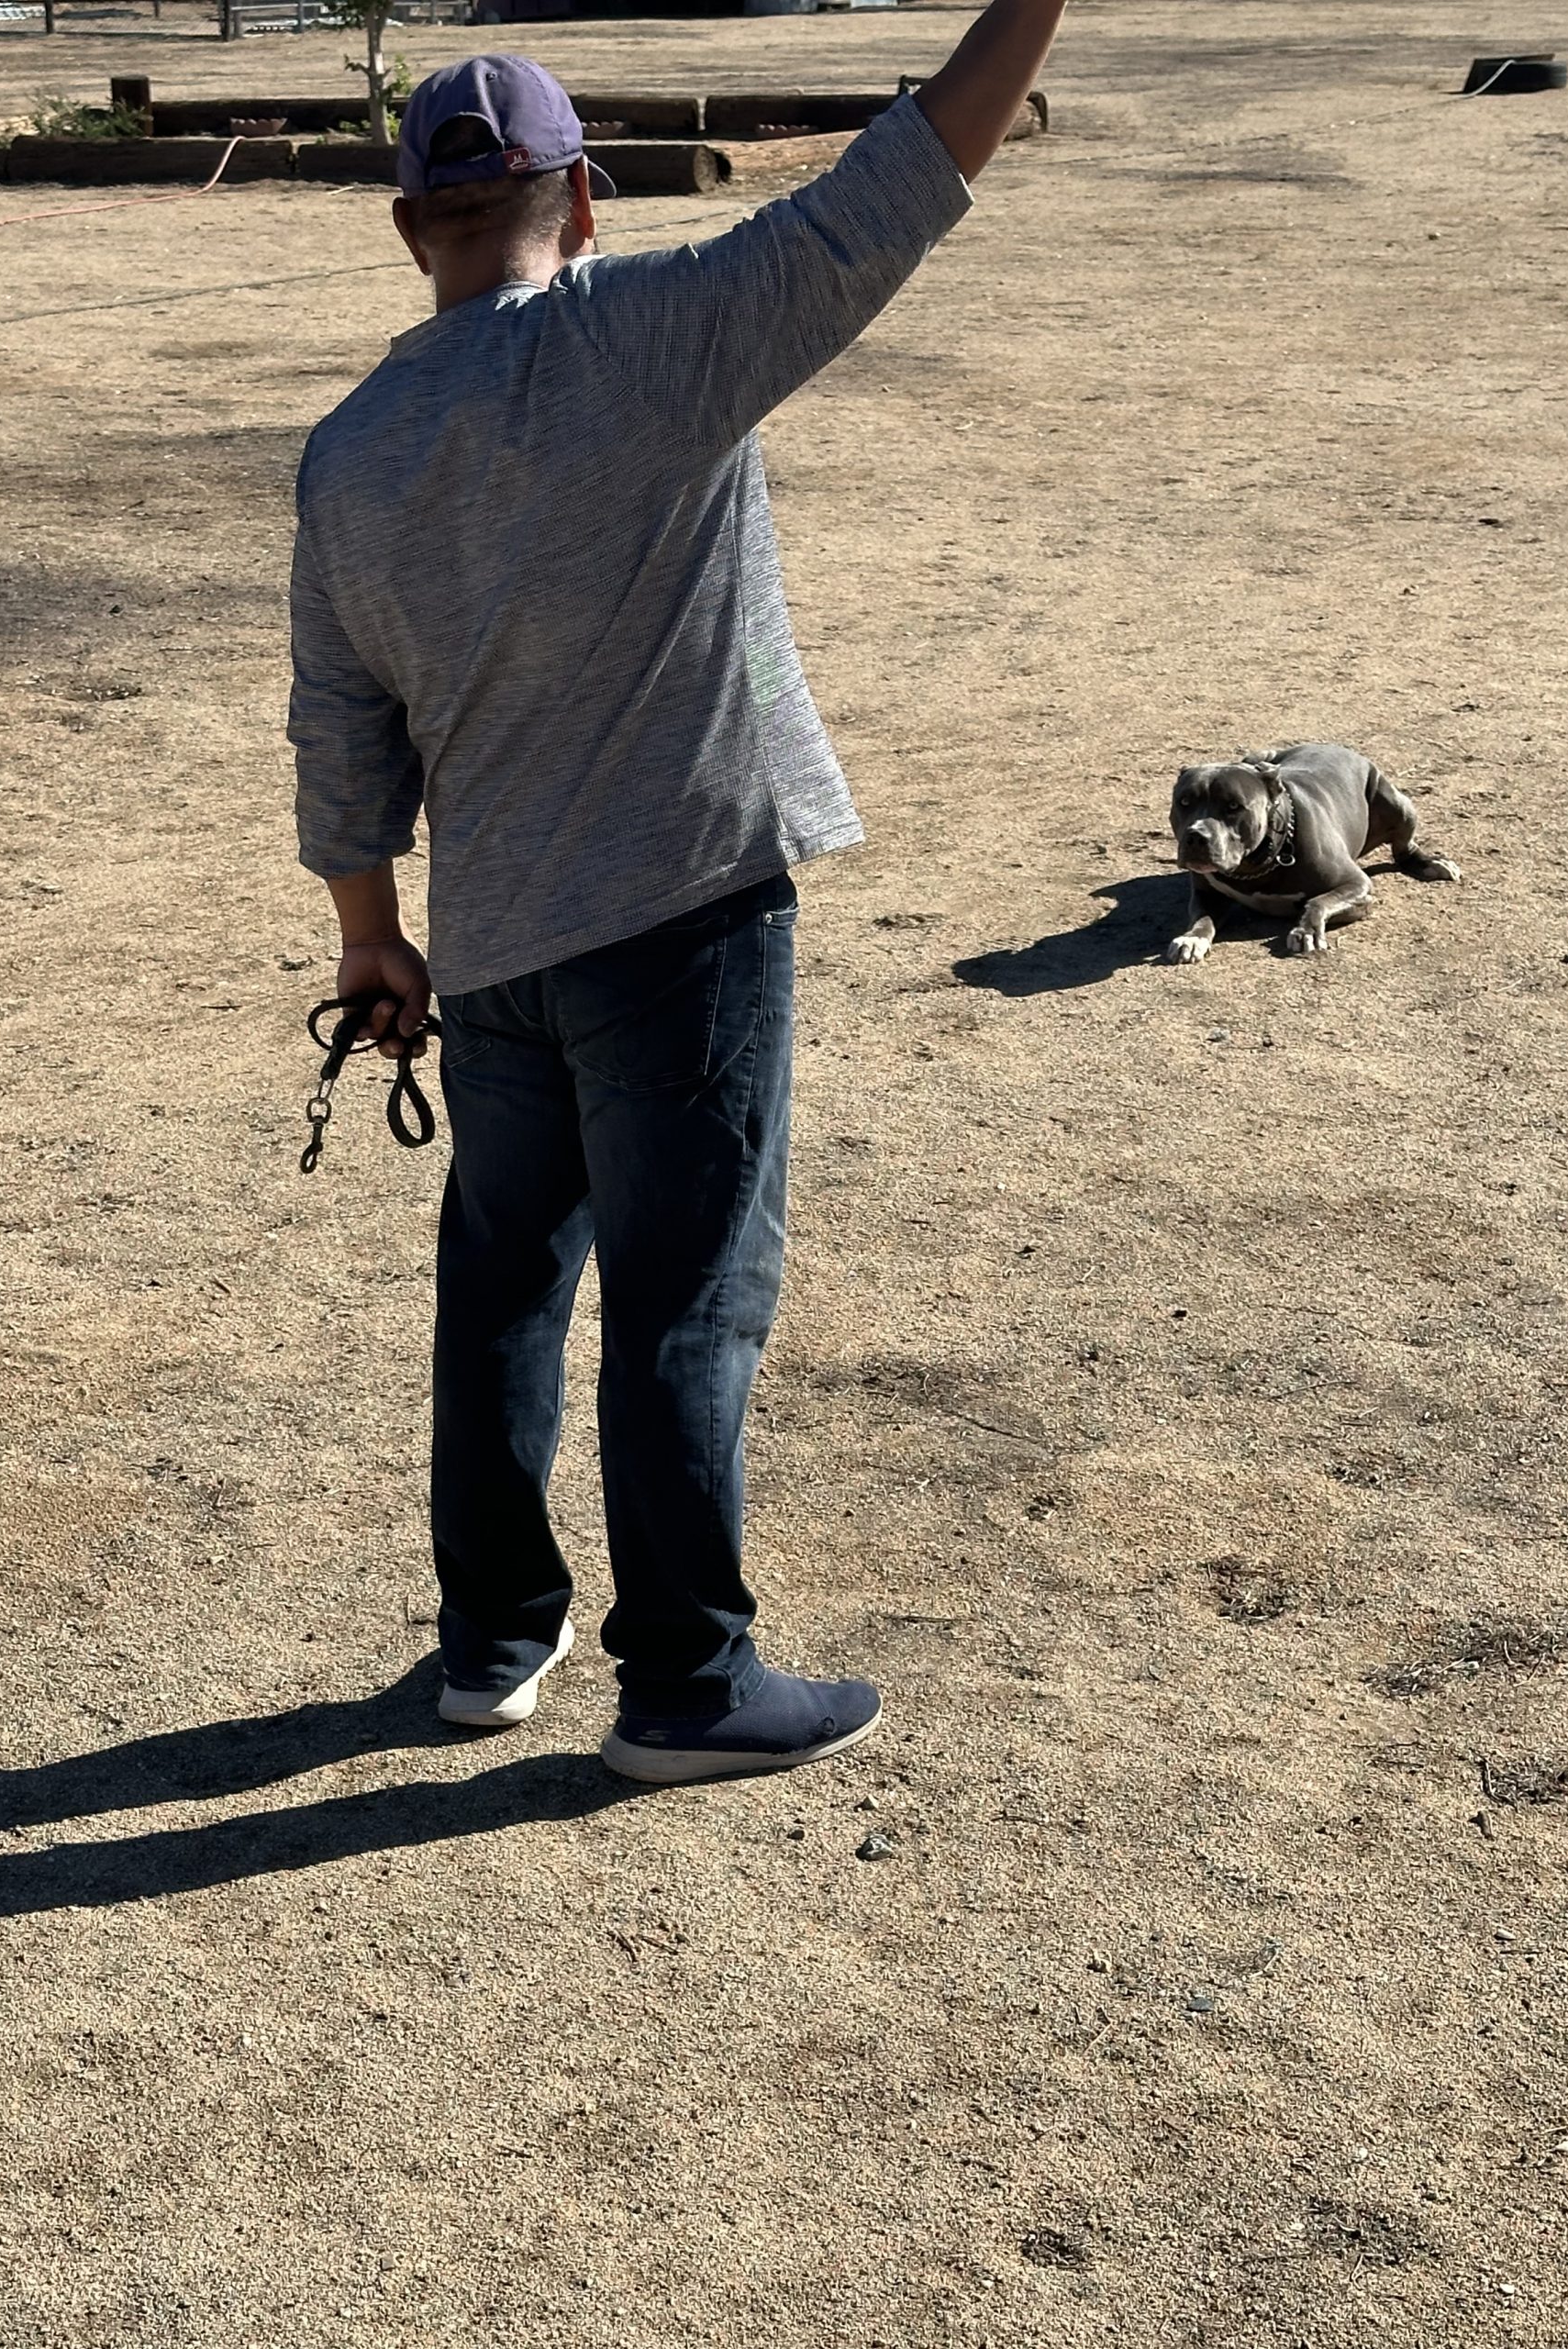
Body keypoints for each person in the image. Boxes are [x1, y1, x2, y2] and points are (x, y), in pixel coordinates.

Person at [289, 3, 1068, 1785]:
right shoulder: (658, 333)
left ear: (410, 225)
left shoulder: (349, 451)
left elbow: (340, 729)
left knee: (503, 1282)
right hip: (684, 914)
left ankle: (493, 1636)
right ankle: (689, 1682)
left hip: (492, 944)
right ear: (587, 196)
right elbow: (903, 178)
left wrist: (370, 932)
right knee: (686, 1293)